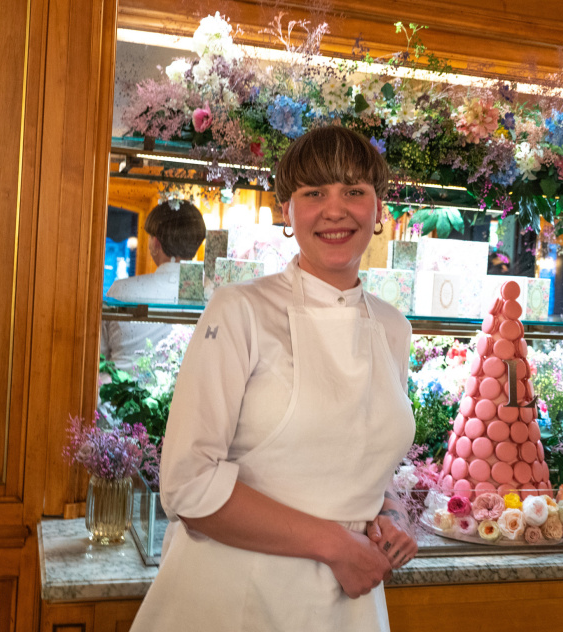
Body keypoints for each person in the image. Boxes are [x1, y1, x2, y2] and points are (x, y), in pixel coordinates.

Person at [130, 127, 417, 631]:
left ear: (378, 210)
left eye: (354, 191)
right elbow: (187, 484)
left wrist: (387, 511)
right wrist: (335, 544)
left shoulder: (393, 327)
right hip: (236, 595)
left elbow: (357, 455)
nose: (335, 209)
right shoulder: (239, 309)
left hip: (347, 601)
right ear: (286, 211)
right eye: (314, 193)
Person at [100, 200, 206, 372]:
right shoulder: (210, 293)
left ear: (156, 243)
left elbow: (100, 354)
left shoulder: (121, 290)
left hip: (118, 395)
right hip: (185, 395)